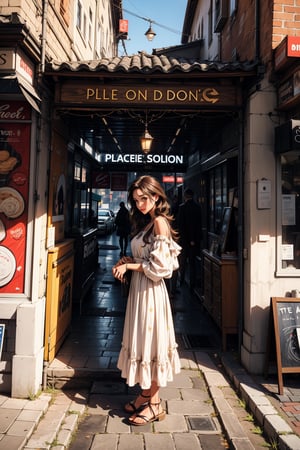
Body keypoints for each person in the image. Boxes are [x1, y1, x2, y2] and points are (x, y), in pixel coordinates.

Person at [112, 175, 181, 426]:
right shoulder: (147, 223)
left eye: (144, 198)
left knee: (151, 344)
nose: (140, 203)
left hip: (151, 292)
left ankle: (155, 404)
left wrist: (131, 265)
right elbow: (146, 258)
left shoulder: (160, 222)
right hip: (141, 291)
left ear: (155, 196)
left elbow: (162, 267)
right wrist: (127, 262)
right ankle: (145, 395)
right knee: (143, 342)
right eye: (136, 200)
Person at [177, 188, 202, 290]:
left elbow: (181, 225)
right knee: (192, 263)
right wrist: (194, 239)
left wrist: (182, 239)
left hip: (184, 240)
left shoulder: (182, 208)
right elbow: (198, 225)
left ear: (185, 196)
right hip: (195, 241)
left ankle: (182, 281)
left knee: (182, 262)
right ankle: (193, 284)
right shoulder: (198, 207)